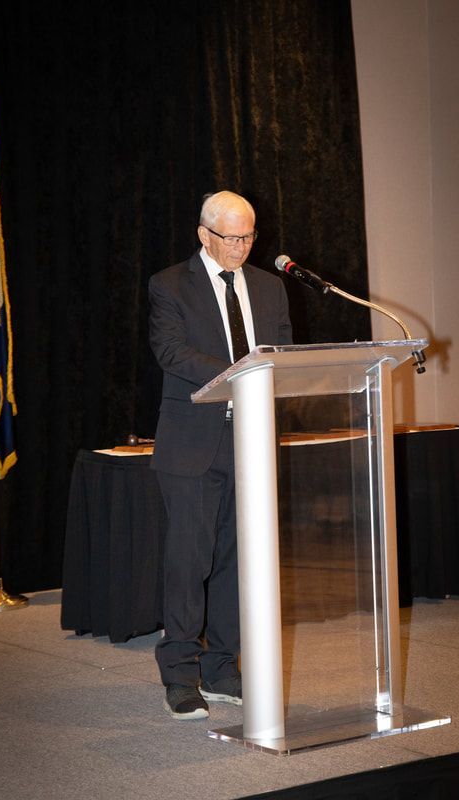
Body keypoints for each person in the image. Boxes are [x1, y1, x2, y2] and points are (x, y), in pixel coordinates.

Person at [148, 190, 292, 720]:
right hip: (193, 445)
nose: (241, 247)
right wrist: (242, 372)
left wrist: (271, 372)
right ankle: (180, 674)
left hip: (252, 442)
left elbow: (281, 353)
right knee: (190, 562)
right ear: (204, 235)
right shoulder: (169, 284)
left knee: (239, 560)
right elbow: (171, 351)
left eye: (249, 236)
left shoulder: (270, 287)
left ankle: (223, 668)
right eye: (231, 237)